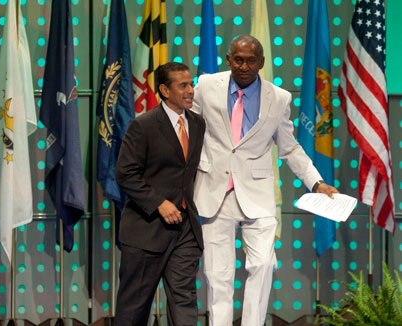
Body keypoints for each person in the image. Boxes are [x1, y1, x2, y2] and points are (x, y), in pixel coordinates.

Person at [191, 35, 338, 326]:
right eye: (237, 59)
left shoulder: (279, 97)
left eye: (250, 60)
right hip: (212, 193)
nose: (243, 66)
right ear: (228, 59)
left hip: (257, 196)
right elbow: (188, 131)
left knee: (262, 264)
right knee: (217, 275)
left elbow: (290, 147)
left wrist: (316, 183)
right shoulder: (206, 86)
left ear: (262, 62)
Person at [114, 62, 206, 325]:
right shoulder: (143, 125)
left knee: (184, 301)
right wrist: (158, 203)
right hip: (147, 230)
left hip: (185, 230)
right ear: (164, 90)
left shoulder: (198, 123)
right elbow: (125, 173)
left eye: (191, 84)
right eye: (183, 85)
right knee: (134, 308)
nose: (190, 90)